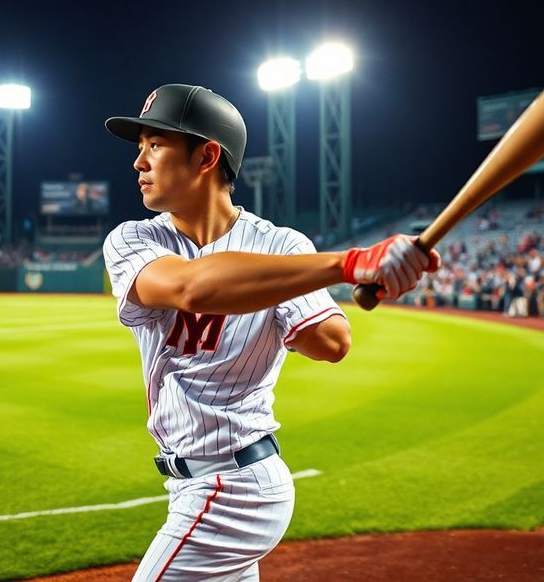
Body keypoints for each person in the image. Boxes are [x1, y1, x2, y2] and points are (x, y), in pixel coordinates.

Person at [102, 84, 440, 581]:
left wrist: (378, 274)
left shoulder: (281, 245)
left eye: (155, 145)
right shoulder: (135, 238)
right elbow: (191, 288)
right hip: (191, 483)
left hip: (236, 486)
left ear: (206, 156)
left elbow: (331, 342)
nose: (139, 162)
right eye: (139, 149)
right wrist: (350, 264)